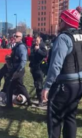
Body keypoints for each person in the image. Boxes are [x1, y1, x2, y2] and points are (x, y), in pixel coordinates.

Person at [42, 9, 82, 138]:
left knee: (54, 118)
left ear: (66, 22)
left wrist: (47, 86)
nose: (59, 23)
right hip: (78, 84)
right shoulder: (80, 36)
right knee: (70, 117)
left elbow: (56, 65)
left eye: (61, 20)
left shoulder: (63, 38)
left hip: (64, 84)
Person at [6, 32, 32, 108]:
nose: (15, 37)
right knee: (20, 85)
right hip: (17, 69)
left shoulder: (21, 47)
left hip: (18, 70)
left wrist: (18, 70)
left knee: (9, 85)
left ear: (21, 37)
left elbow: (24, 60)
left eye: (17, 36)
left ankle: (9, 105)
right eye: (14, 36)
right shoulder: (17, 46)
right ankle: (29, 101)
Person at [29, 33, 47, 107]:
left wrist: (38, 50)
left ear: (40, 39)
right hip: (34, 68)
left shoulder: (42, 46)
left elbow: (45, 54)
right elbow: (31, 57)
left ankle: (41, 101)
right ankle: (39, 97)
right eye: (34, 40)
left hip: (40, 68)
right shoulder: (33, 46)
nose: (35, 42)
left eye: (37, 40)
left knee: (39, 84)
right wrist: (30, 66)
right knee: (36, 84)